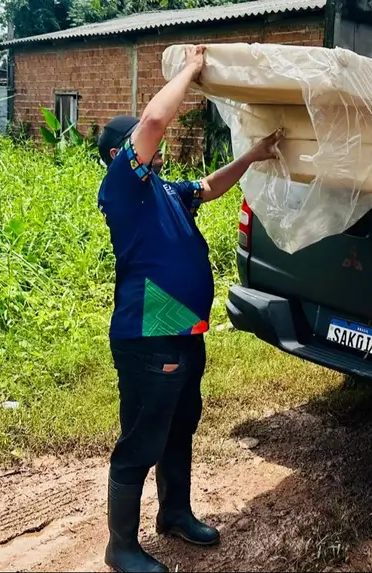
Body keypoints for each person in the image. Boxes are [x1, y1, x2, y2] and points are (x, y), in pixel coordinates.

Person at [96, 45, 284, 573]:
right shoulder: (122, 185)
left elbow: (209, 187)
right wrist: (190, 71)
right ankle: (121, 547)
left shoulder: (162, 190)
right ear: (119, 153)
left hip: (185, 328)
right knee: (142, 438)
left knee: (179, 428)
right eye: (139, 141)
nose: (152, 144)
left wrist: (252, 155)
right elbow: (156, 119)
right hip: (148, 332)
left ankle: (174, 513)